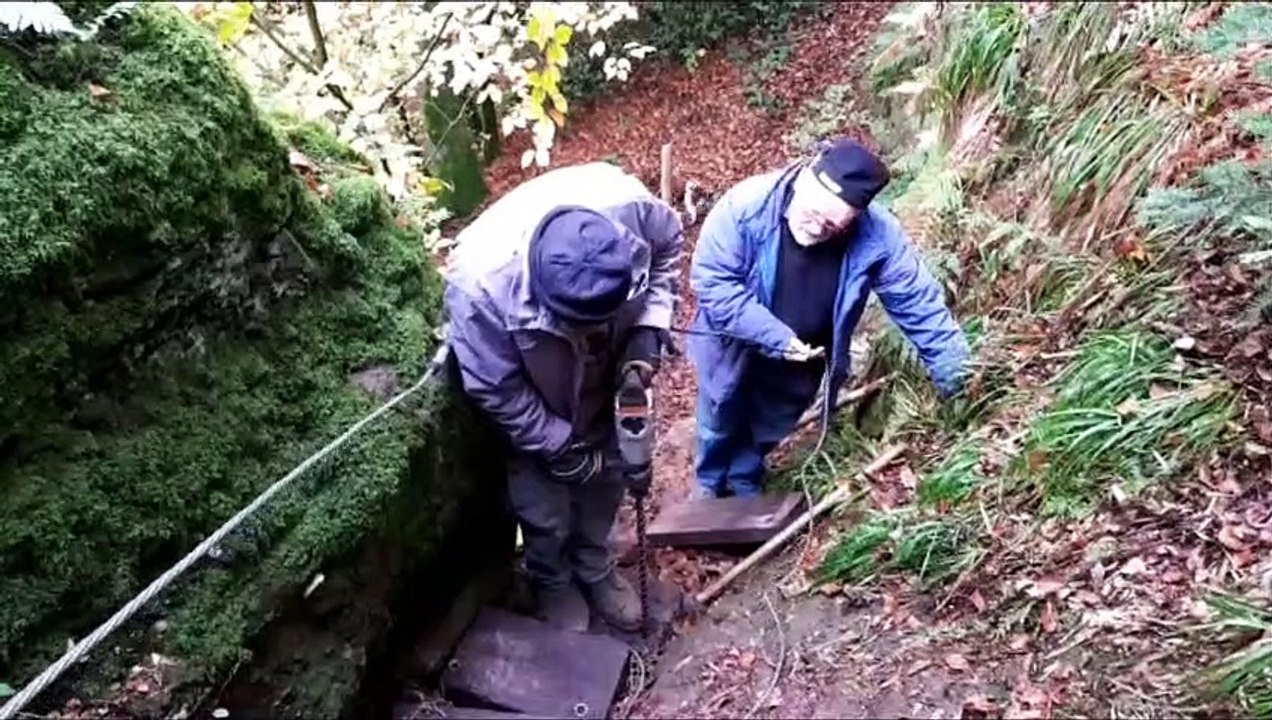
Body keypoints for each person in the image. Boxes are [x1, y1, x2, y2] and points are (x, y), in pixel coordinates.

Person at [443, 162, 683, 632]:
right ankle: (552, 580)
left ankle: (596, 568)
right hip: (539, 391)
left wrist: (646, 334)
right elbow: (496, 386)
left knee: (611, 477)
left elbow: (669, 251)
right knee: (543, 506)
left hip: (610, 373)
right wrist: (556, 443)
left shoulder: (632, 211)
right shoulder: (480, 286)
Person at [686, 138, 970, 499]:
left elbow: (921, 307)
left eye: (832, 224)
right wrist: (775, 337)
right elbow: (713, 283)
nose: (817, 227)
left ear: (856, 219)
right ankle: (708, 482)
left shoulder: (879, 237)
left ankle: (745, 475)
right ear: (805, 177)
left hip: (806, 353)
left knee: (772, 418)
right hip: (732, 341)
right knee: (720, 412)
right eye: (811, 213)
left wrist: (963, 382)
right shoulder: (746, 207)